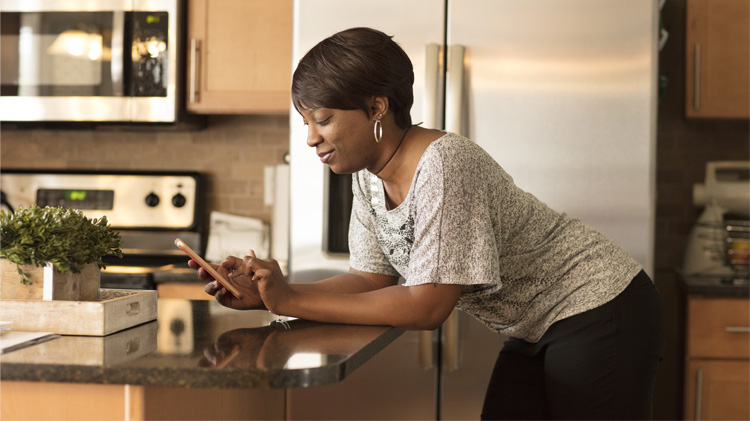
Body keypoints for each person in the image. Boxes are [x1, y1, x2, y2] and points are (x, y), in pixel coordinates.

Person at [189, 27, 665, 420]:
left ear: (377, 108)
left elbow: (425, 307)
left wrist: (292, 301)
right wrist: (275, 295)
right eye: (307, 122)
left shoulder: (444, 162)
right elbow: (369, 279)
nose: (312, 137)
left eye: (324, 119)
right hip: (532, 325)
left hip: (598, 305)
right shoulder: (367, 178)